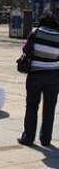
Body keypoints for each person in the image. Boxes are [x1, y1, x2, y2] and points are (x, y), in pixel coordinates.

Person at [18, 12, 59, 147]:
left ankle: (28, 138)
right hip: (54, 76)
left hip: (35, 74)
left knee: (31, 106)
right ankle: (45, 139)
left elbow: (25, 49)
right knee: (49, 108)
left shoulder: (35, 32)